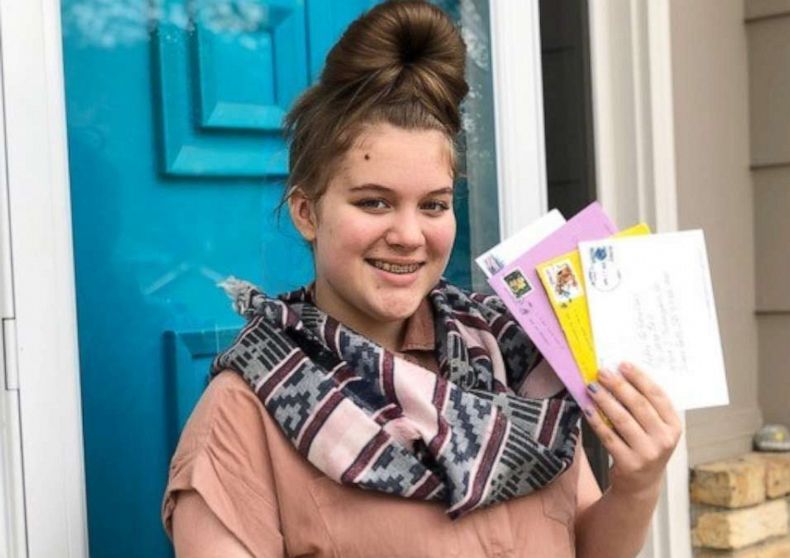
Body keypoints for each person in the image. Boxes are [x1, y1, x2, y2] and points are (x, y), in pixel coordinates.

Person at [162, 1, 681, 556]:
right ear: (306, 212)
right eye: (374, 202)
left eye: (433, 205)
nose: (409, 235)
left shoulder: (519, 362)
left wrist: (638, 484)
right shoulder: (244, 414)